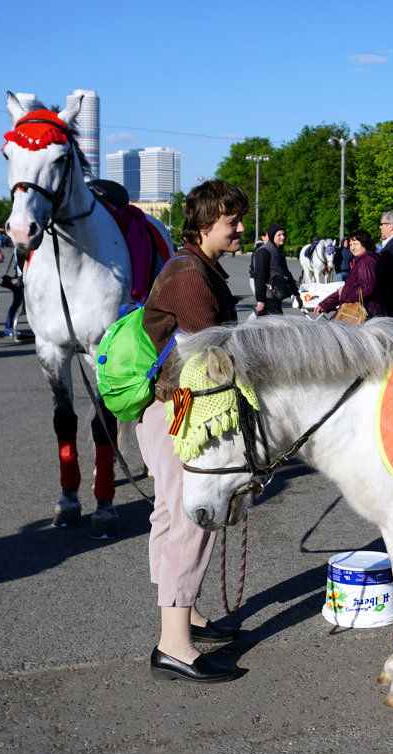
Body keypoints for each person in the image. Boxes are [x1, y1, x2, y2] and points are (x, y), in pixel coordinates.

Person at [137, 179, 248, 683]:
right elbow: (213, 355)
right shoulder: (190, 275)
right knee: (192, 520)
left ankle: (184, 614)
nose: (242, 228)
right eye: (232, 221)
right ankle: (174, 644)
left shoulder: (193, 265)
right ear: (206, 226)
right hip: (183, 412)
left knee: (170, 515)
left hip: (170, 409)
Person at [315, 229, 384, 317]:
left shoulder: (366, 261)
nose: (352, 248)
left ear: (365, 243)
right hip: (364, 309)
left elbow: (366, 288)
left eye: (355, 244)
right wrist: (325, 304)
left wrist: (344, 292)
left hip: (366, 312)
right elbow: (347, 289)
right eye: (350, 244)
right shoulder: (361, 260)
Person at [251, 224, 298, 316]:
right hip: (268, 298)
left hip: (276, 296)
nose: (282, 237)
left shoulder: (278, 251)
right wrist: (260, 300)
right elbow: (259, 276)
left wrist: (296, 294)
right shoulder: (263, 252)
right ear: (272, 236)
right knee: (276, 326)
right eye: (279, 235)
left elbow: (287, 273)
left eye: (284, 235)